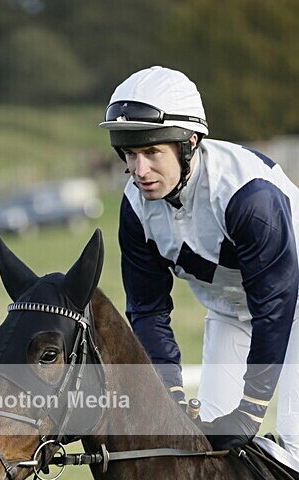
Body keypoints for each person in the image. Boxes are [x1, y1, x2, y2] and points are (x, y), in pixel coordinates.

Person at [100, 65, 299, 458]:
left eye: (152, 153)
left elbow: (274, 308)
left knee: (294, 451)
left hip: (292, 306)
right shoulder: (135, 207)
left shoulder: (249, 196)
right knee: (205, 451)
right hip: (229, 312)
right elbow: (147, 309)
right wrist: (170, 392)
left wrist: (251, 410)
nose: (140, 171)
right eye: (130, 154)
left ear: (189, 143)